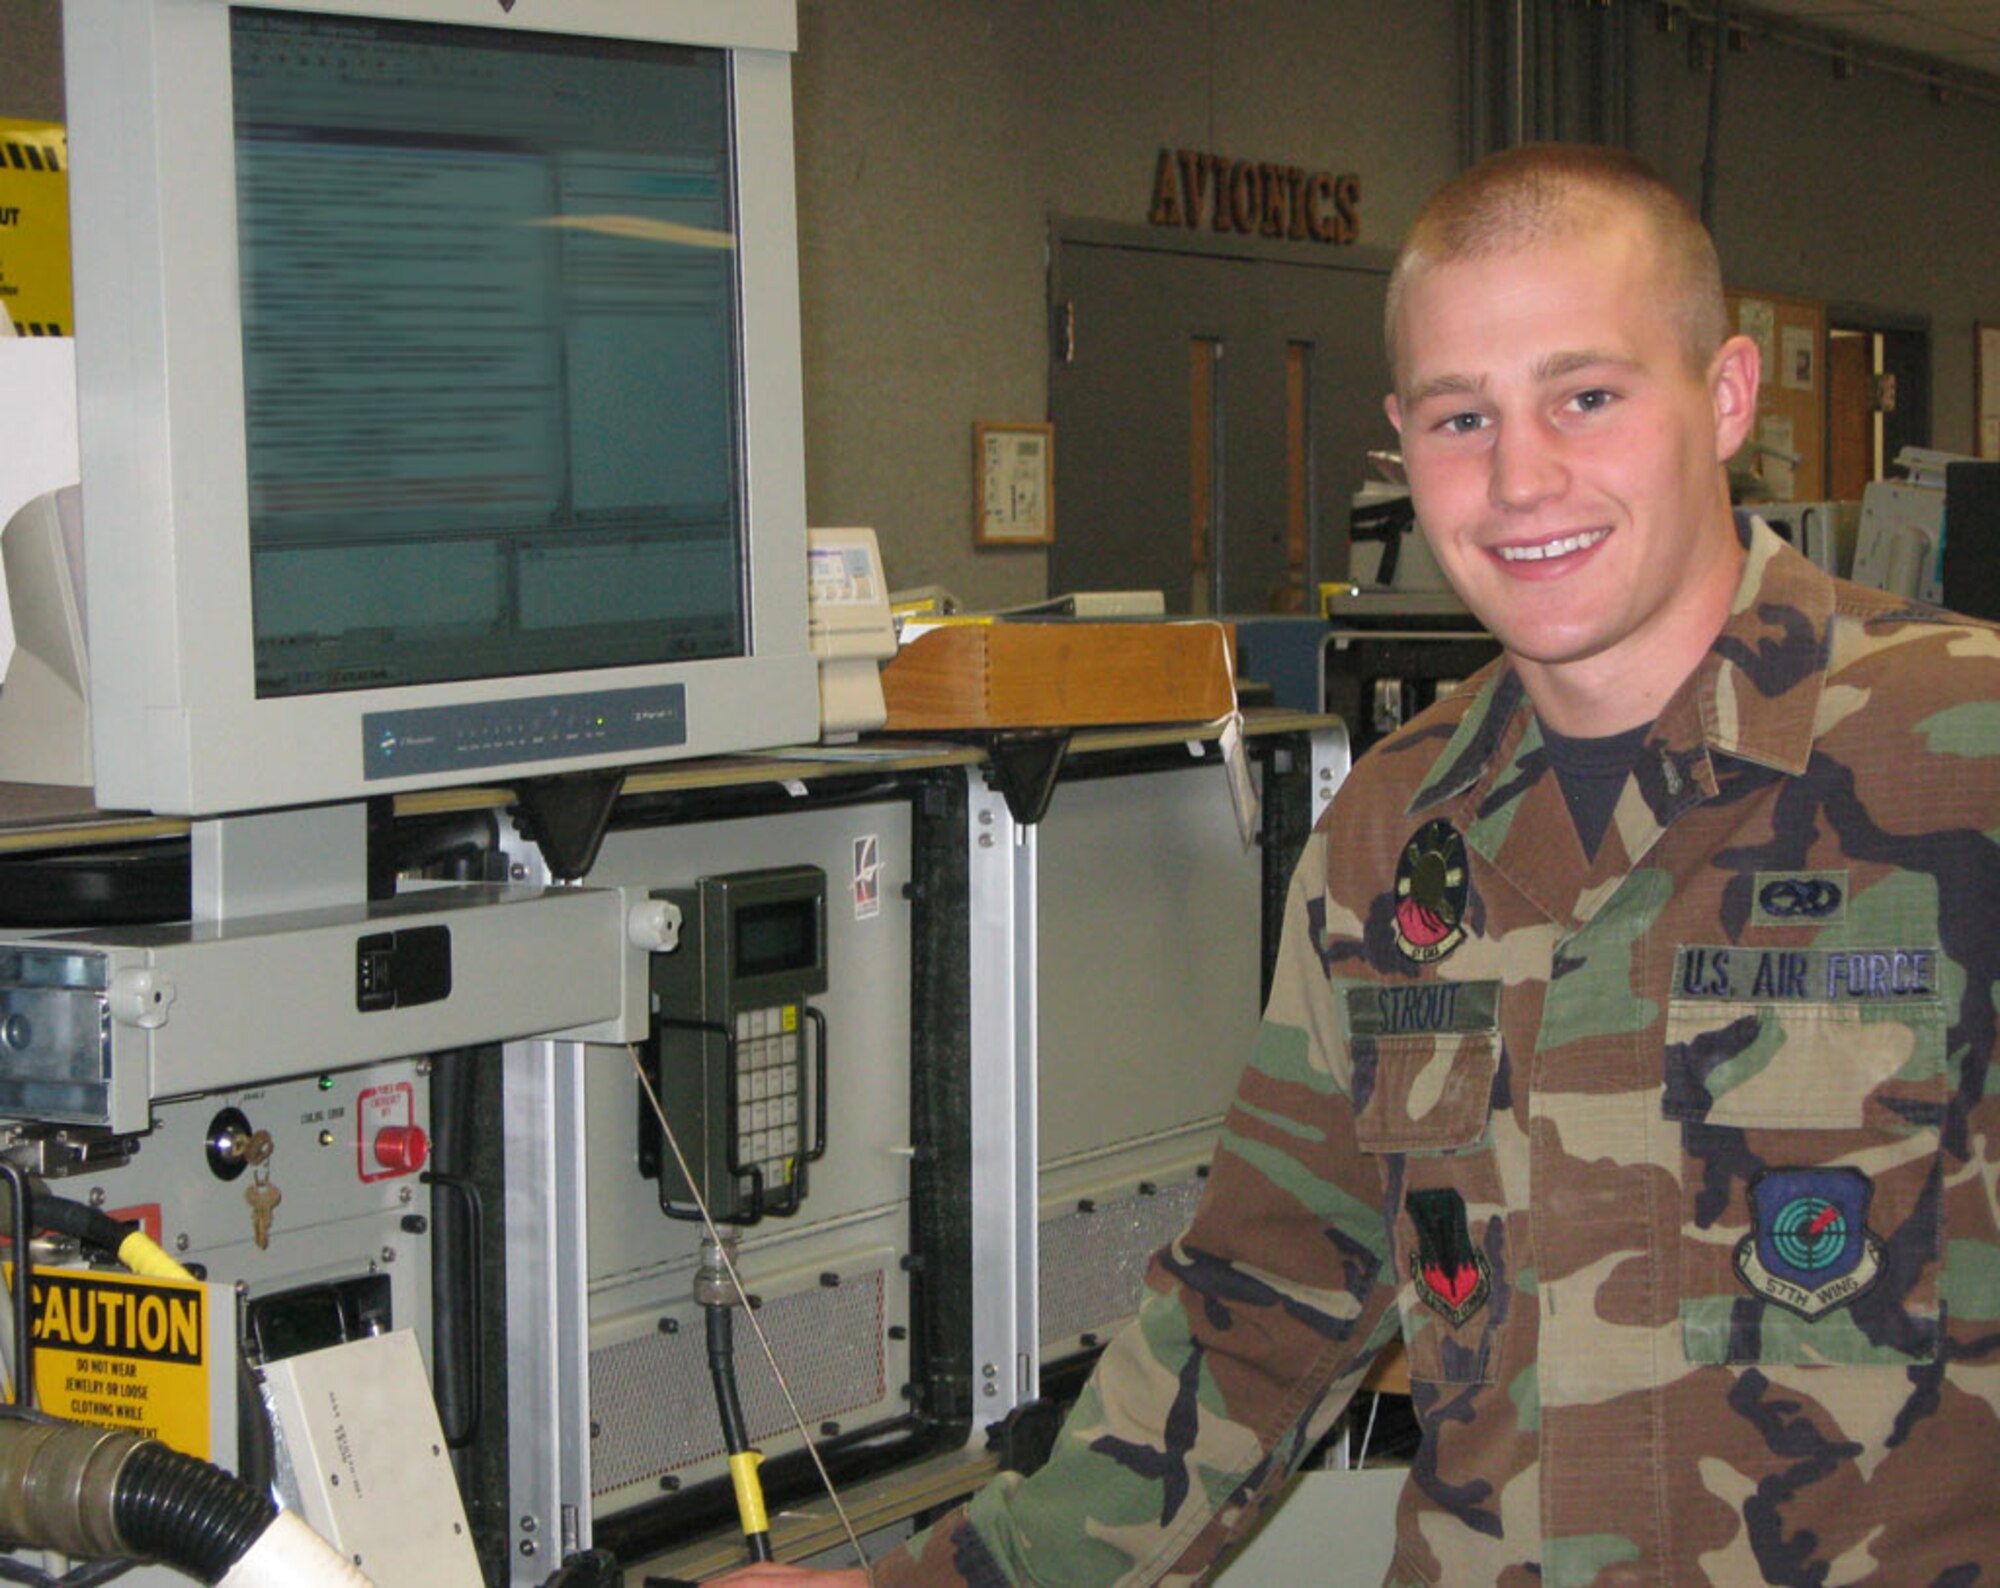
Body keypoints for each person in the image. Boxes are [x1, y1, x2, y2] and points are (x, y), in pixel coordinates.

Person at [716, 143, 2000, 1586]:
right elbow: (1255, 1305)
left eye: (1587, 396)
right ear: (1400, 437)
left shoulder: (1955, 751)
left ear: (1725, 397)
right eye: (1463, 418)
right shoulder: (1395, 837)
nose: (1522, 481)